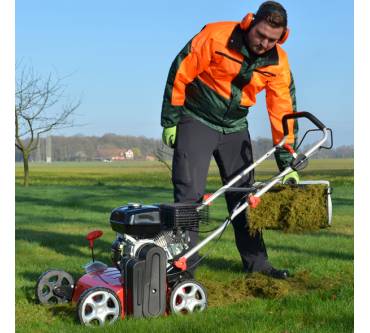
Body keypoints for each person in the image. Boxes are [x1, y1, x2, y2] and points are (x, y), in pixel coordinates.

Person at [160, 1, 299, 279]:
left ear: (281, 37)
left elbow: (282, 110)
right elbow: (180, 71)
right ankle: (184, 267)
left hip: (235, 126)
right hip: (196, 118)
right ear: (250, 23)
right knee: (189, 197)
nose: (263, 43)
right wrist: (171, 119)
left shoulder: (278, 62)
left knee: (246, 197)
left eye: (272, 39)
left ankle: (257, 265)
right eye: (260, 34)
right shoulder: (216, 36)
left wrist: (287, 161)